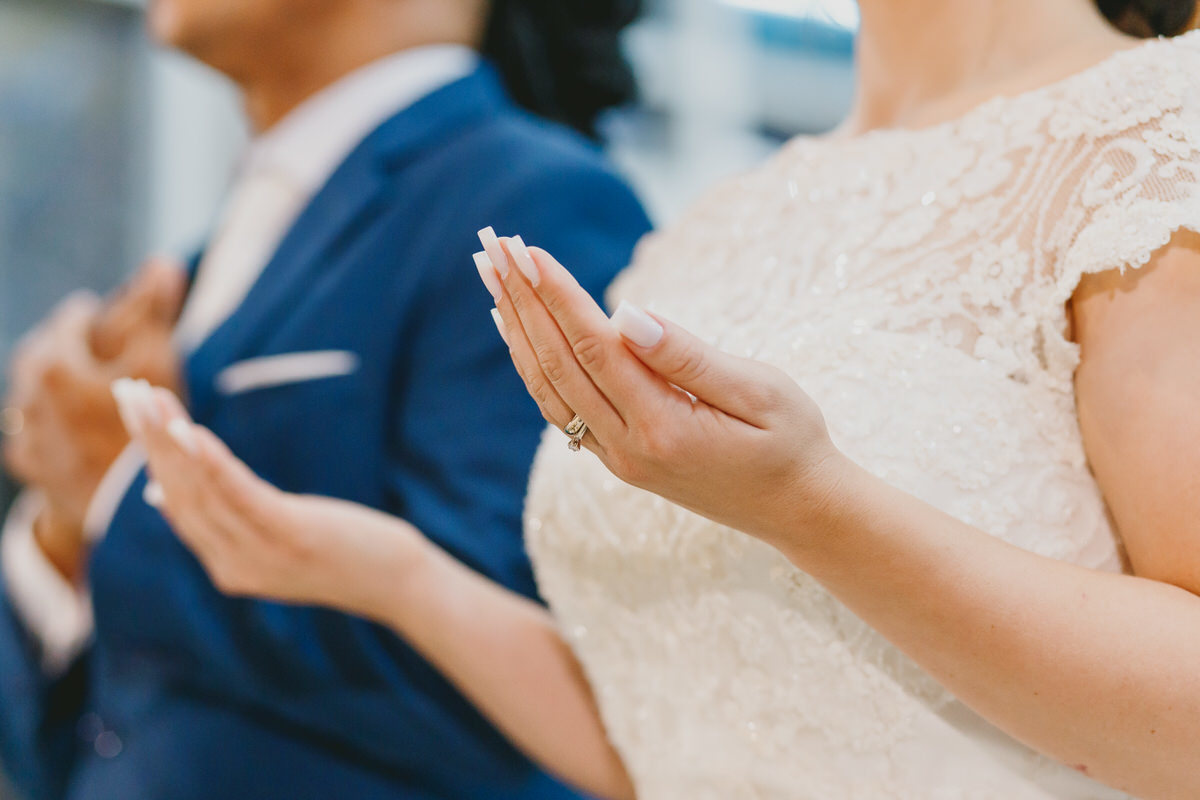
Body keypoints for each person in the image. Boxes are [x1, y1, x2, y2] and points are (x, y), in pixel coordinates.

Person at [114, 0, 1200, 797]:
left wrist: (809, 502)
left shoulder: (1154, 138)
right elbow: (668, 733)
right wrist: (384, 573)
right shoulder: (718, 223)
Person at [0, 0, 651, 798]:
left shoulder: (536, 204)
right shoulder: (213, 251)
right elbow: (107, 733)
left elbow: (521, 706)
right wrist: (62, 541)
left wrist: (121, 486)